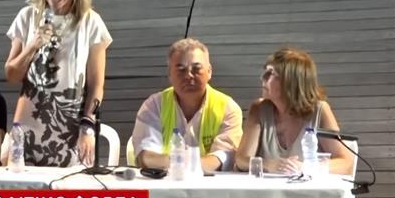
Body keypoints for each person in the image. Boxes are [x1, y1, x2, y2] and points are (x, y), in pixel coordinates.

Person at [3, 0, 112, 167]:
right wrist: (32, 46)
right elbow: (11, 75)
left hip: (69, 130)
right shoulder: (27, 17)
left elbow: (96, 85)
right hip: (27, 127)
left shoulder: (91, 23)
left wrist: (87, 127)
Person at [235, 47, 355, 175]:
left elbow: (345, 162)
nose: (263, 78)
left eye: (271, 73)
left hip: (308, 187)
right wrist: (268, 164)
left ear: (291, 82)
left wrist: (305, 168)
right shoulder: (259, 109)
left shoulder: (320, 110)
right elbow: (241, 160)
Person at [131, 38, 243, 172]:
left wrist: (174, 163)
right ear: (169, 74)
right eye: (181, 70)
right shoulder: (154, 105)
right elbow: (147, 157)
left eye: (196, 69)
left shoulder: (227, 108)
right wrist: (194, 164)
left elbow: (223, 158)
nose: (189, 75)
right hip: (164, 181)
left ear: (209, 71)